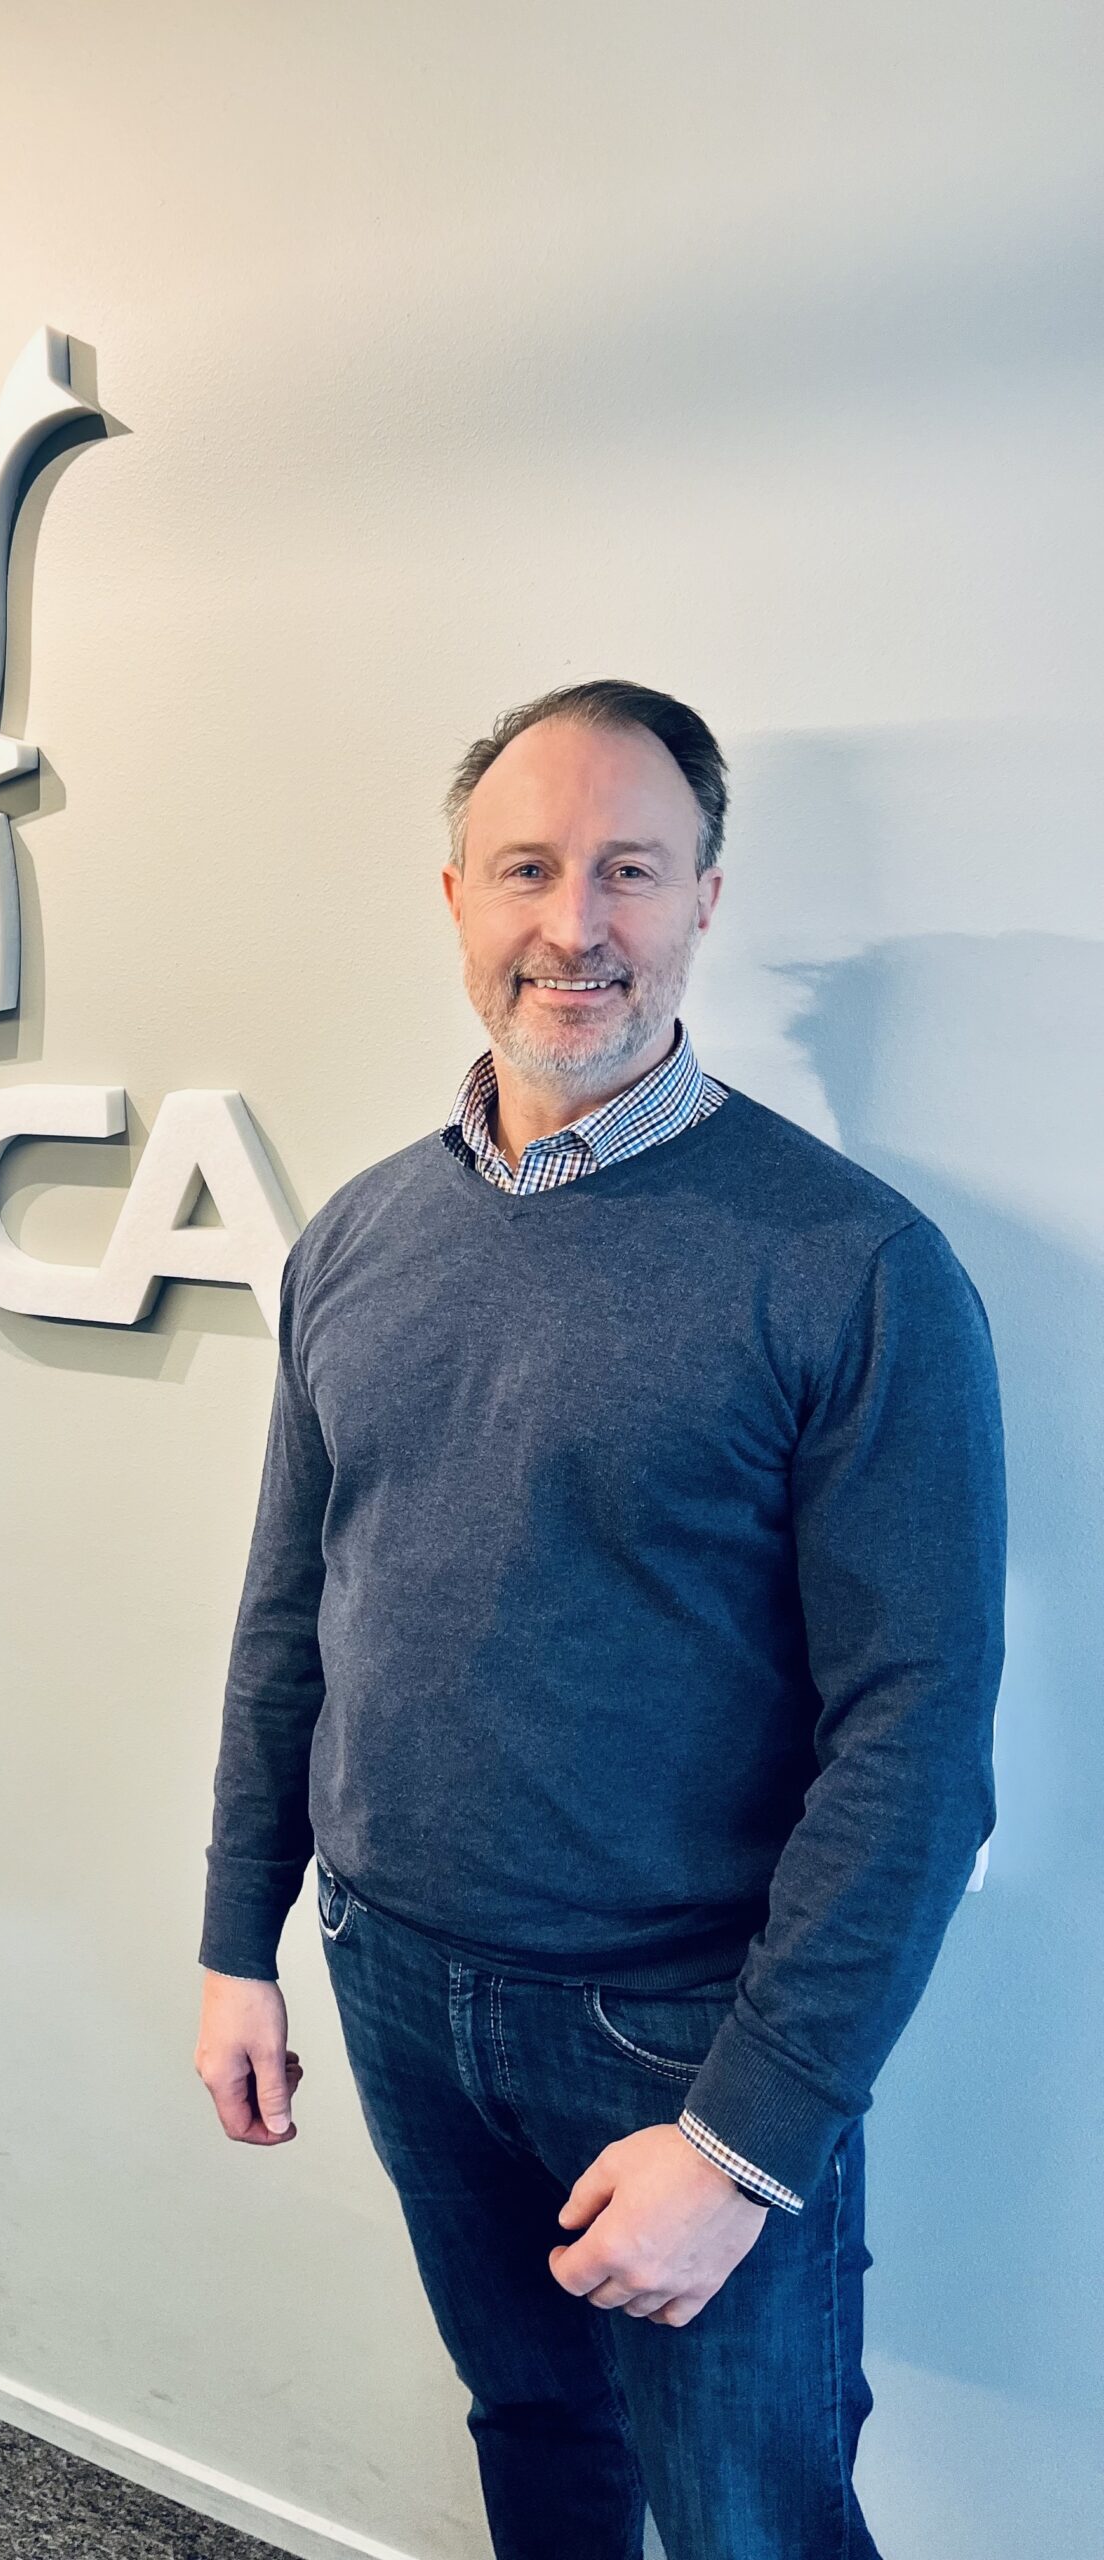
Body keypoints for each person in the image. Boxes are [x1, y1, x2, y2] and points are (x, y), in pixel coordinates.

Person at [191, 680, 1006, 2560]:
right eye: (528, 869)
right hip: (392, 1978)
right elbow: (293, 1612)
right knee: (539, 2439)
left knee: (752, 2516)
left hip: (678, 2030)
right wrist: (244, 1932)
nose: (576, 925)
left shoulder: (857, 1270)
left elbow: (917, 1751)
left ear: (706, 898)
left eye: (630, 871)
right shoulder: (358, 1238)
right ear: (455, 898)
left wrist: (746, 2139)